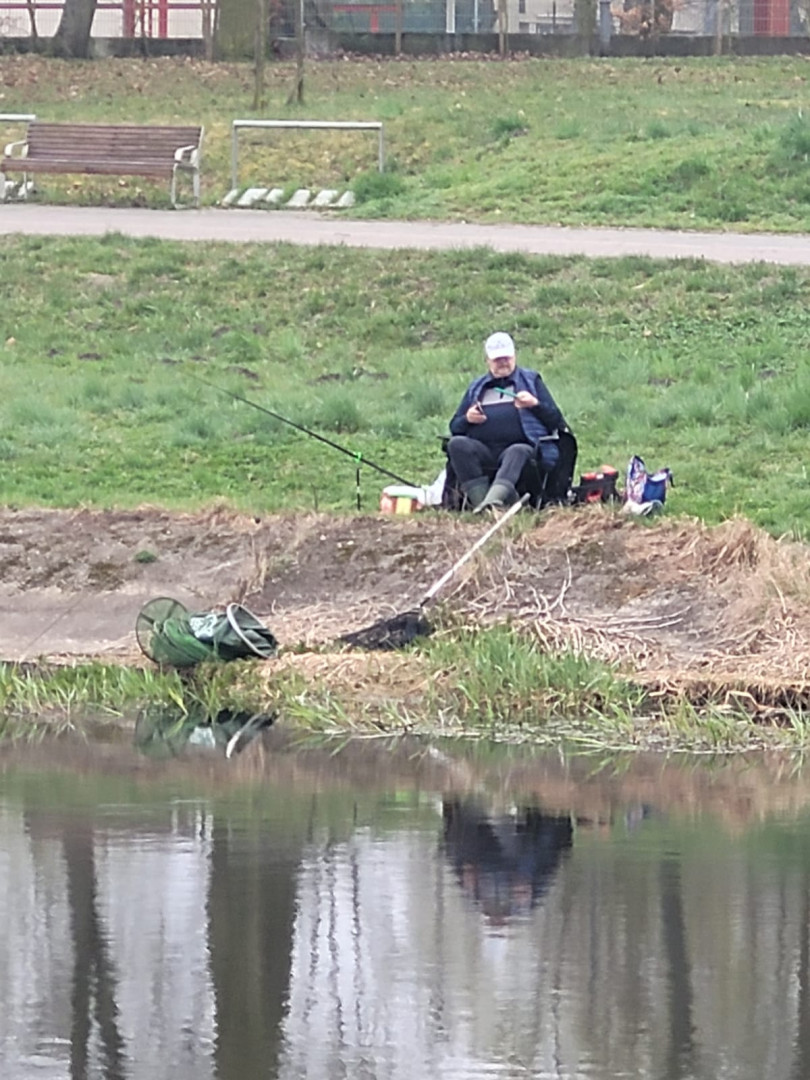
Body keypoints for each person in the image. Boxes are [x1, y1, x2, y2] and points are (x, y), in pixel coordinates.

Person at [446, 331, 565, 512]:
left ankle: (494, 500)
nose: (503, 363)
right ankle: (482, 505)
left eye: (506, 358)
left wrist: (535, 405)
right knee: (457, 444)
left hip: (523, 451)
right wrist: (467, 419)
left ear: (514, 356)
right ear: (487, 360)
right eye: (497, 359)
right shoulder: (477, 387)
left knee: (516, 451)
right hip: (485, 451)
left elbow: (556, 421)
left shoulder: (531, 381)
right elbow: (455, 427)